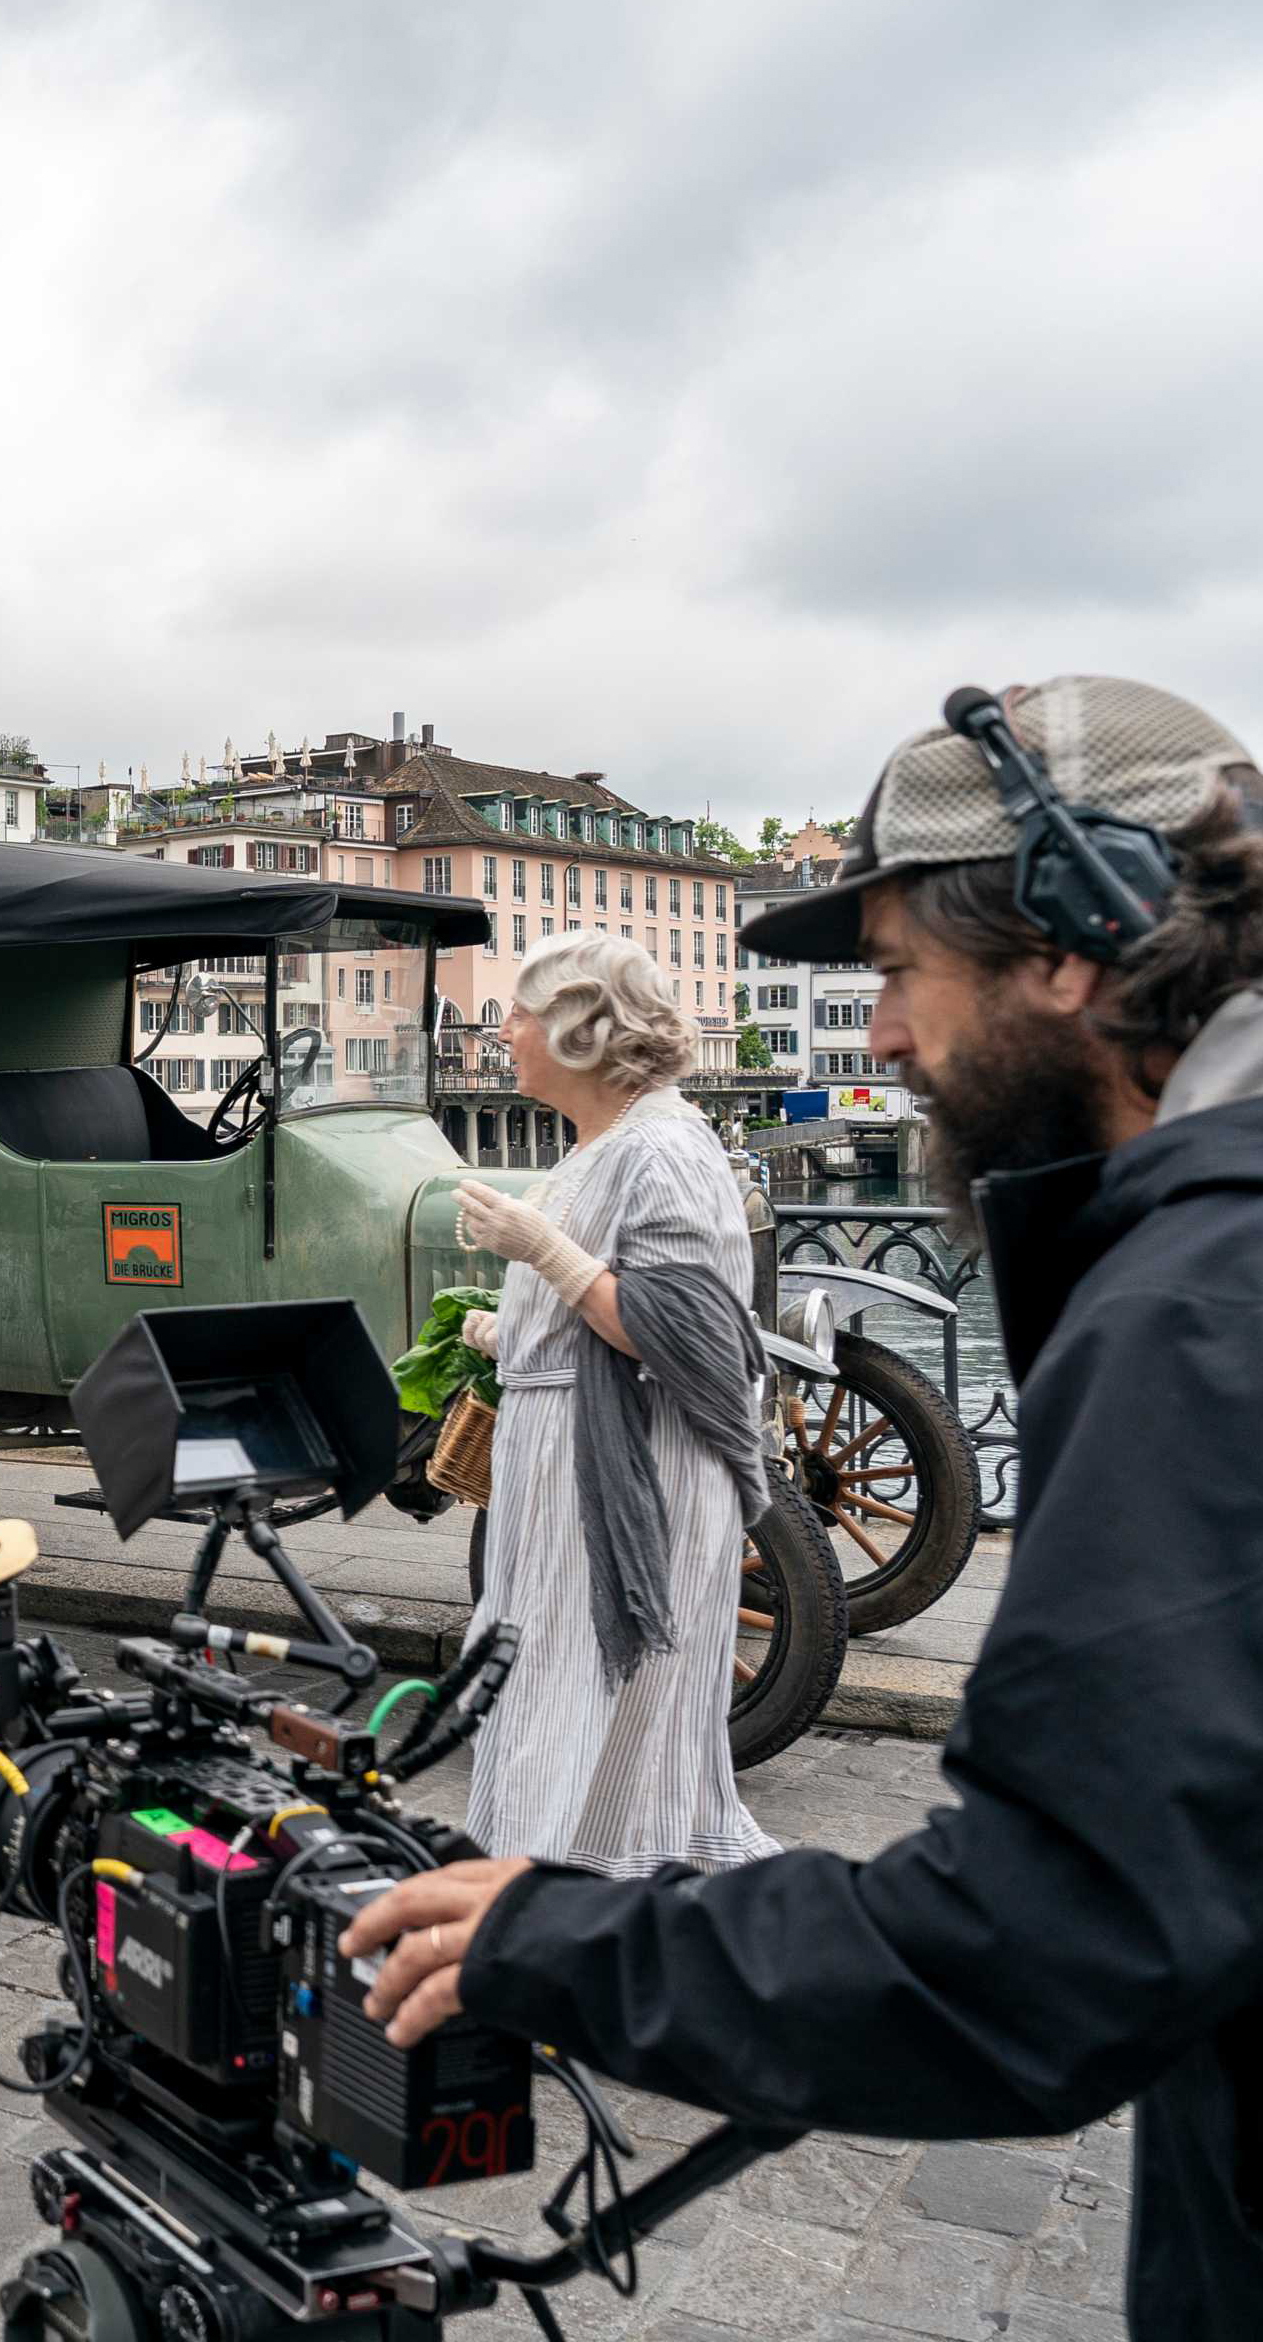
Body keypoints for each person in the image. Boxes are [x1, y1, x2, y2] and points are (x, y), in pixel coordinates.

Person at [342, 678, 1263, 2340]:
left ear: (1066, 946)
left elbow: (1046, 1939)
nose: (887, 1035)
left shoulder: (1203, 1295)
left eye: (901, 972)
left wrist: (572, 1947)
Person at [443, 930, 779, 1875]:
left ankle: (604, 1900)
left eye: (523, 1012)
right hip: (573, 1467)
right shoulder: (608, 1144)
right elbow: (599, 1316)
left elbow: (686, 1333)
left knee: (608, 1706)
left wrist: (537, 1246)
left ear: (584, 1032)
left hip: (640, 1470)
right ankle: (556, 1894)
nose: (502, 1028)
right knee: (552, 1686)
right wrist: (511, 1334)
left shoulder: (662, 1148)